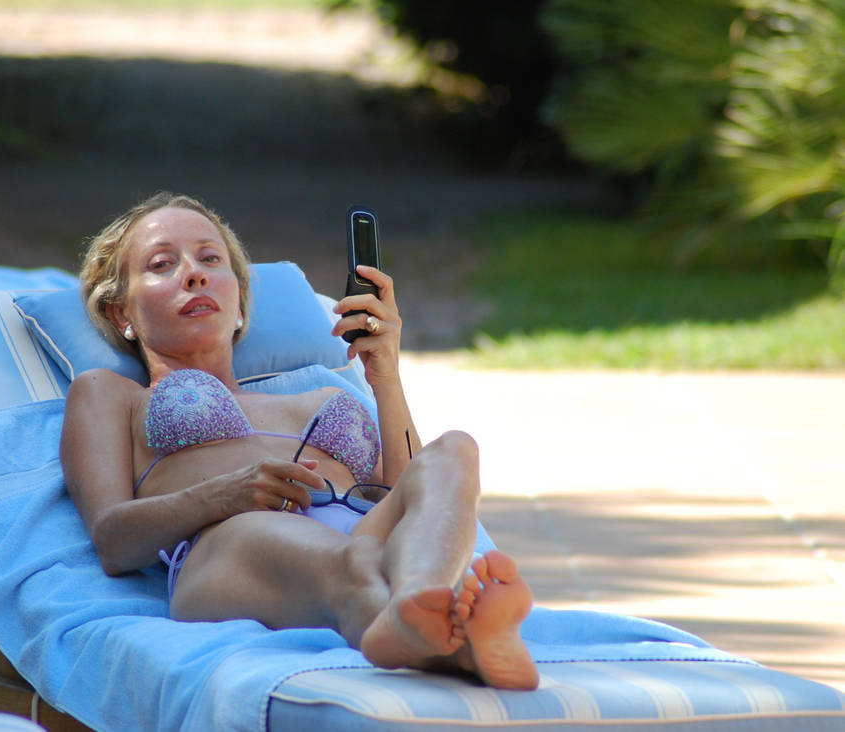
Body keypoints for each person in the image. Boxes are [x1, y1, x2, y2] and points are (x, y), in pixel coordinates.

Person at [61, 192, 539, 690]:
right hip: (229, 549)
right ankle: (440, 632)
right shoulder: (111, 393)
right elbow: (112, 540)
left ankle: (420, 604)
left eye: (210, 259)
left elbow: (408, 498)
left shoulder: (323, 393)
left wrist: (386, 376)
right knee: (355, 561)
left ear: (240, 302)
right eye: (162, 264)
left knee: (455, 450)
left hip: (360, 535)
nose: (194, 274)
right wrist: (220, 496)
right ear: (121, 313)